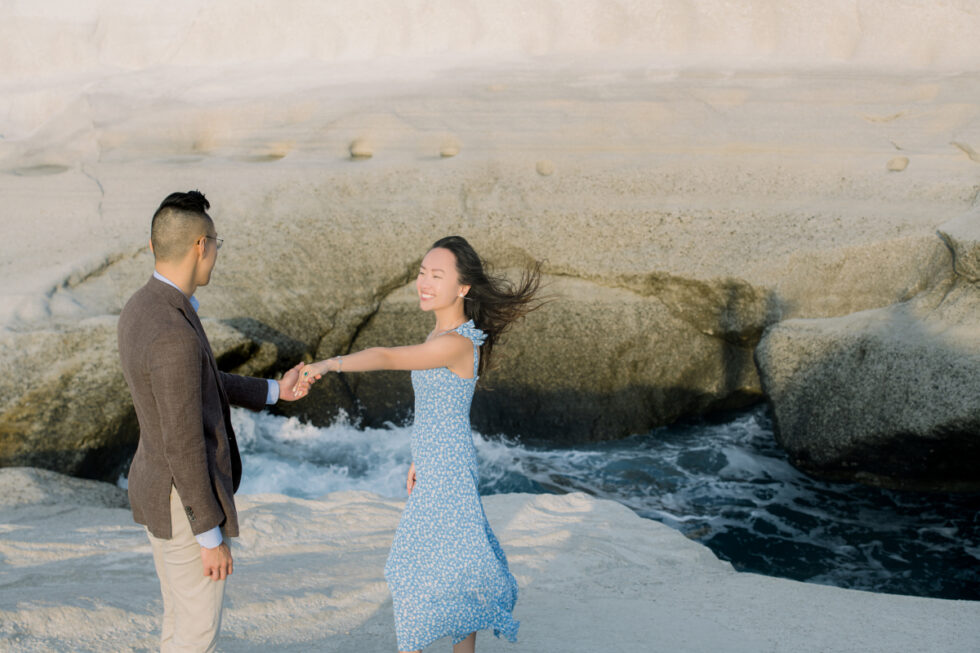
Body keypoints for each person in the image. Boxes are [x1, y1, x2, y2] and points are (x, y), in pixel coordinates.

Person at [295, 236, 543, 653]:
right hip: (439, 462)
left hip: (449, 468)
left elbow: (388, 357)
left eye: (436, 275)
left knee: (420, 569)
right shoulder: (440, 333)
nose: (423, 282)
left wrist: (328, 364)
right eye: (422, 272)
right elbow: (435, 406)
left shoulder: (458, 343)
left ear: (462, 288)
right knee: (447, 569)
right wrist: (418, 458)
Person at [117, 190, 309, 652]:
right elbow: (185, 442)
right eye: (217, 243)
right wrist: (209, 534)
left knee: (179, 622)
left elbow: (195, 382)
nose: (217, 254)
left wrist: (272, 391)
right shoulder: (173, 333)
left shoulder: (141, 307)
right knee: (198, 637)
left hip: (155, 490)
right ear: (200, 245)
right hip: (185, 506)